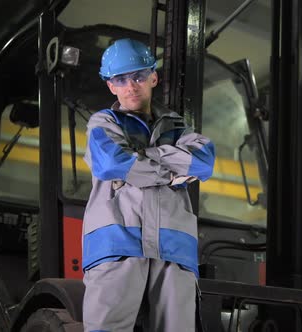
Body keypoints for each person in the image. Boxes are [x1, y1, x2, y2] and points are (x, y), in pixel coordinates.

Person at [81, 38, 215, 332]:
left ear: (154, 77)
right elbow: (113, 164)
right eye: (121, 79)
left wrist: (141, 157)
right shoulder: (103, 123)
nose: (131, 85)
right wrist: (170, 173)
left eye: (139, 76)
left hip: (174, 249)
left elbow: (204, 161)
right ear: (111, 86)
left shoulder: (177, 126)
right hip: (118, 244)